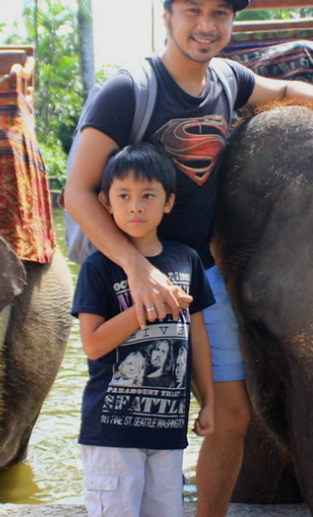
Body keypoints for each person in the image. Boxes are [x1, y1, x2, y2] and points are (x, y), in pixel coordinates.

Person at [63, 0, 313, 517]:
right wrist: (137, 268)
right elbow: (78, 193)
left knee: (231, 416)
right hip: (128, 274)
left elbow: (283, 88)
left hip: (198, 275)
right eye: (193, 11)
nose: (206, 25)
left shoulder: (227, 80)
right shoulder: (128, 91)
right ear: (167, 16)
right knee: (129, 414)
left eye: (220, 14)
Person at [71, 143, 215, 517]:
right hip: (112, 433)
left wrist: (209, 401)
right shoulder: (98, 268)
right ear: (106, 202)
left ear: (168, 202)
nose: (135, 206)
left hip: (168, 431)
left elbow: (198, 338)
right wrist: (146, 309)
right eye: (124, 196)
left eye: (148, 195)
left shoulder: (187, 260)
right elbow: (93, 344)